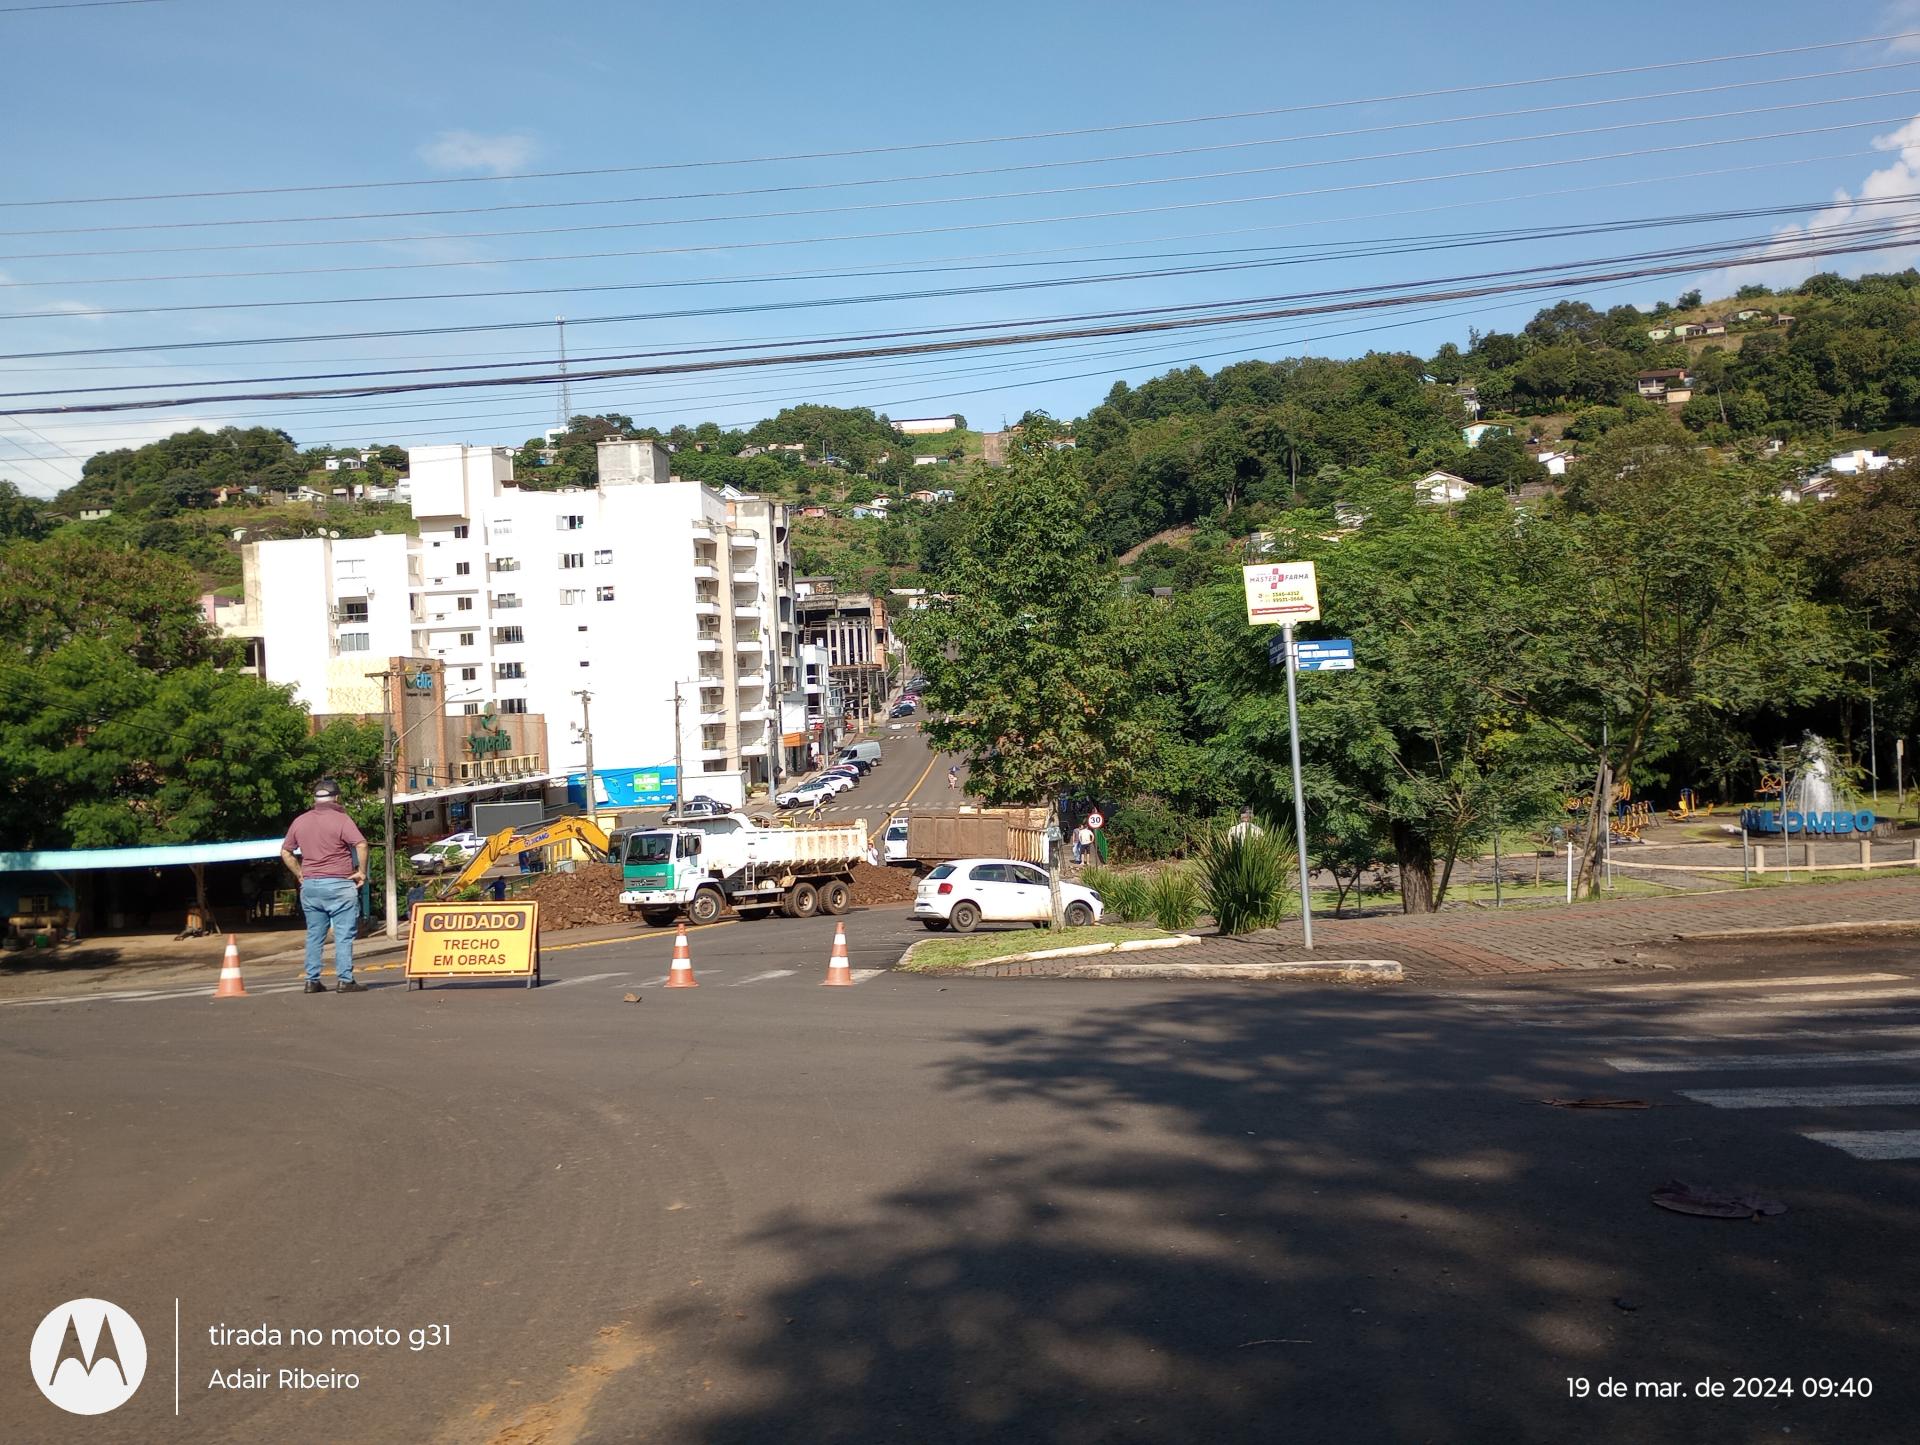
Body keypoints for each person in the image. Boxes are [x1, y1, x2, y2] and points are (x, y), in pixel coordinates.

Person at [280, 779, 370, 994]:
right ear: (337, 798)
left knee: (314, 934)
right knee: (343, 935)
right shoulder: (341, 819)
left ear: (315, 799)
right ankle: (345, 980)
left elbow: (286, 852)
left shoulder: (300, 821)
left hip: (311, 886)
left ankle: (311, 981)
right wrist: (362, 872)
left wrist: (301, 874)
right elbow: (362, 844)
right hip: (339, 884)